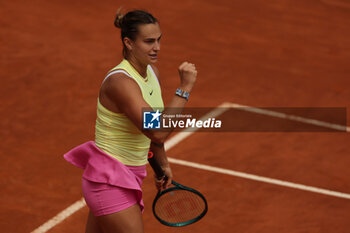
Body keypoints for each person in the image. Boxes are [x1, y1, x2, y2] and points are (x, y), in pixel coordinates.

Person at [64, 9, 197, 233]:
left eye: (158, 40)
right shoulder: (121, 83)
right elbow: (157, 131)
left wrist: (161, 165)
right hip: (108, 181)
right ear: (128, 42)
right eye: (149, 41)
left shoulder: (151, 72)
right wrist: (184, 88)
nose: (157, 47)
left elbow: (153, 130)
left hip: (129, 175)